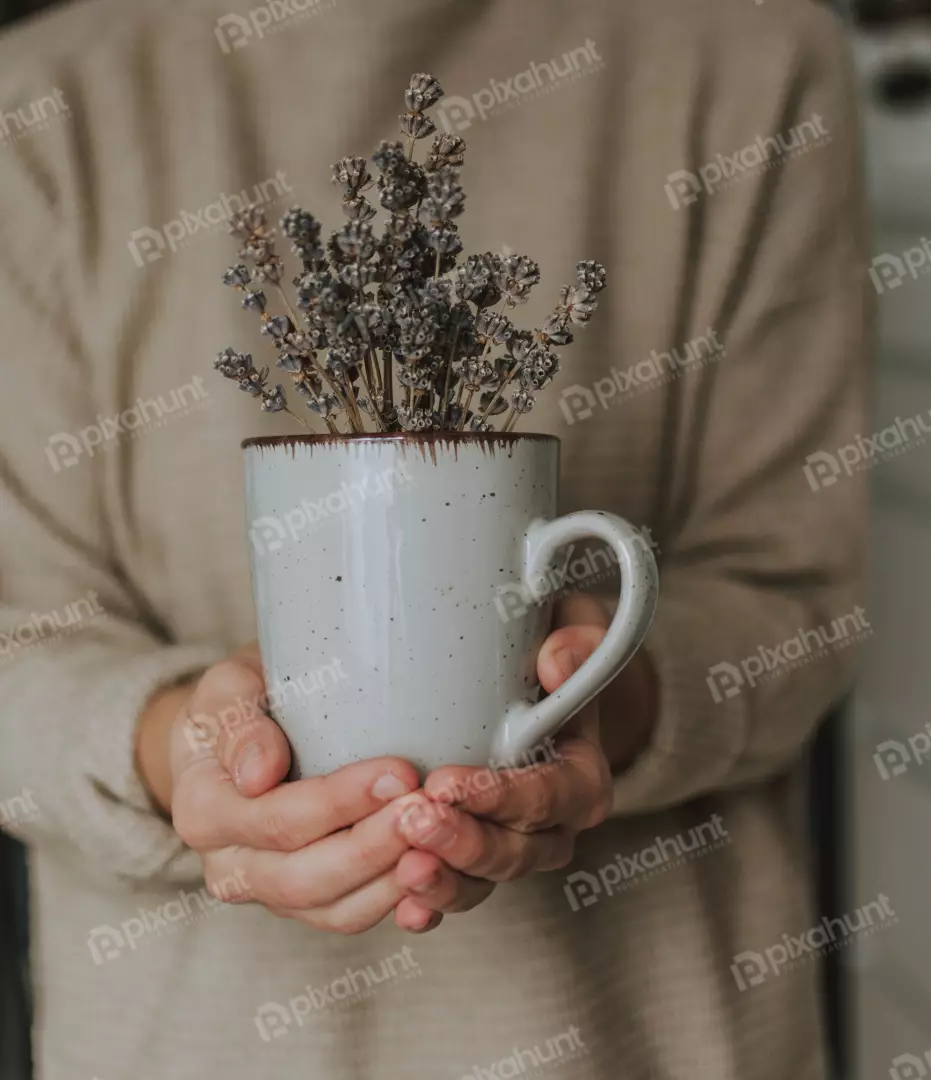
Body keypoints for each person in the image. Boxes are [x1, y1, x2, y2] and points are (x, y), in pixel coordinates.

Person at [0, 0, 870, 1077]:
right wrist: (187, 753)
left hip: (645, 1036)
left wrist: (606, 697)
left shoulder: (753, 55)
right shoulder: (38, 101)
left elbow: (802, 592)